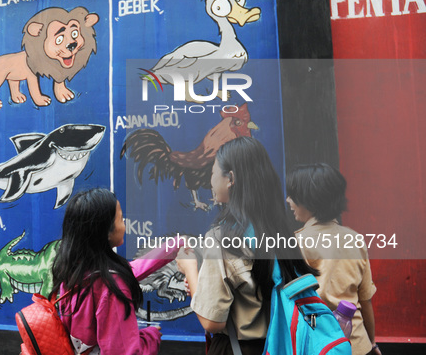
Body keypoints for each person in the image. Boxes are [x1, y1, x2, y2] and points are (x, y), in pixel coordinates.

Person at [177, 137, 317, 355]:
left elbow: (212, 322)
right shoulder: (281, 231)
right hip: (284, 346)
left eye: (213, 172)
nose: (211, 181)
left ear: (230, 178)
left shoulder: (221, 239)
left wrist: (190, 270)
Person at [51, 187, 181, 355]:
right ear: (105, 232)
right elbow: (124, 352)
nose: (124, 224)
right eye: (120, 219)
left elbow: (130, 271)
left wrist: (175, 245)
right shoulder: (113, 288)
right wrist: (150, 338)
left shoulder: (74, 272)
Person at [286, 163, 381, 355]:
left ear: (309, 200)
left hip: (317, 346)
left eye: (293, 196)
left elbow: (288, 304)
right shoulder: (356, 240)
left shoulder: (296, 243)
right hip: (356, 345)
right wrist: (371, 344)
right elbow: (365, 300)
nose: (288, 200)